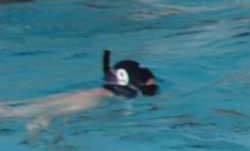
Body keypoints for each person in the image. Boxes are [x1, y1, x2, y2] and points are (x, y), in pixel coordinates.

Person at [0, 51, 159, 133]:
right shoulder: (94, 101)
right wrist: (37, 133)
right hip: (82, 100)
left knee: (11, 111)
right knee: (15, 114)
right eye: (149, 89)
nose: (150, 93)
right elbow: (47, 117)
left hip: (78, 95)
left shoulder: (94, 94)